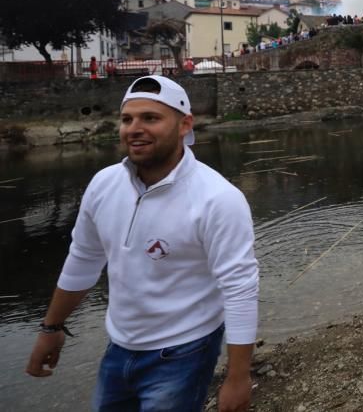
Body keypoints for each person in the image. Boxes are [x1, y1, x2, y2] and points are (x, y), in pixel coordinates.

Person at [25, 76, 258, 412]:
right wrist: (51, 327)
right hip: (119, 347)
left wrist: (238, 378)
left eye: (151, 118)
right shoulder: (103, 185)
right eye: (127, 119)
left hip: (184, 353)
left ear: (184, 125)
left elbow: (240, 289)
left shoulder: (218, 199)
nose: (134, 128)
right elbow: (83, 259)